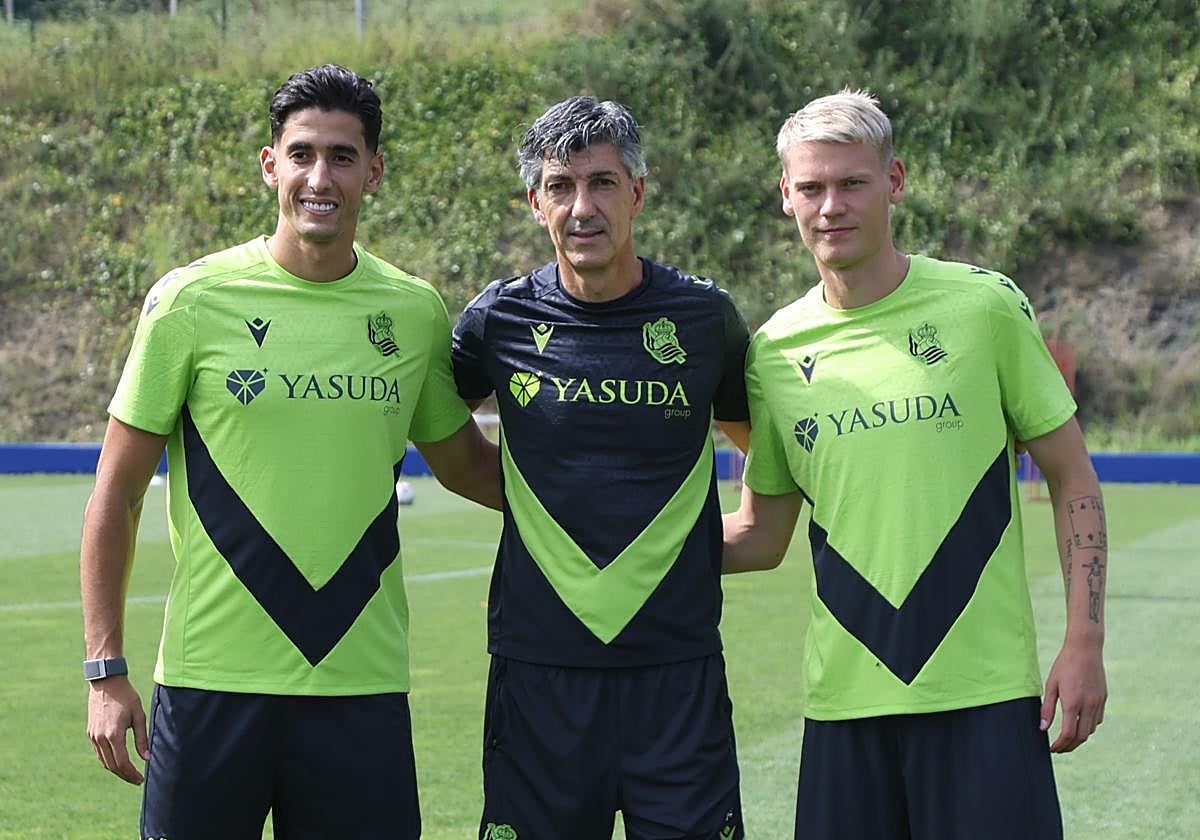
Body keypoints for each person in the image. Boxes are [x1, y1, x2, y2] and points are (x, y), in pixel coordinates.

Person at [80, 63, 500, 839]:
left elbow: (469, 466)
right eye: (302, 154)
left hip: (359, 684)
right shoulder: (190, 302)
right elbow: (117, 491)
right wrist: (106, 670)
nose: (320, 177)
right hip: (211, 684)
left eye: (342, 157)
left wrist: (591, 497)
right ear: (270, 164)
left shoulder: (412, 312)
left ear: (374, 172)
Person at [722, 89, 1108, 839]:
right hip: (844, 706)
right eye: (812, 187)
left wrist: (1084, 642)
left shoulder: (984, 307)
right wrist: (625, 540)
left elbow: (1073, 479)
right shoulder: (772, 351)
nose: (831, 206)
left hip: (985, 699)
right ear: (786, 196)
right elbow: (761, 536)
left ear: (893, 181)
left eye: (852, 183)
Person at [451, 96, 751, 840]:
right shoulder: (498, 320)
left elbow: (763, 452)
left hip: (677, 675)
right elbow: (441, 436)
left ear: (637, 193)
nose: (582, 208)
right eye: (560, 186)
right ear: (535, 203)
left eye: (603, 183)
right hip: (538, 674)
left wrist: (718, 540)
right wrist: (537, 510)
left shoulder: (704, 319)